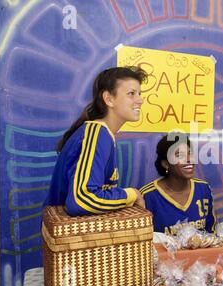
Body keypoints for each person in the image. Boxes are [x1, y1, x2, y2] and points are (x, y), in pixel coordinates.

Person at [44, 66, 147, 216]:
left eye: (139, 94)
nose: (140, 100)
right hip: (71, 237)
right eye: (131, 94)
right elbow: (81, 200)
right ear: (109, 99)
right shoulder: (97, 133)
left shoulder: (103, 134)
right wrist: (131, 194)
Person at [140, 133, 216, 235]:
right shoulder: (148, 196)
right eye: (179, 155)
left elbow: (211, 232)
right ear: (166, 164)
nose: (189, 159)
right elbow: (144, 242)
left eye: (190, 153)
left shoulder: (203, 189)